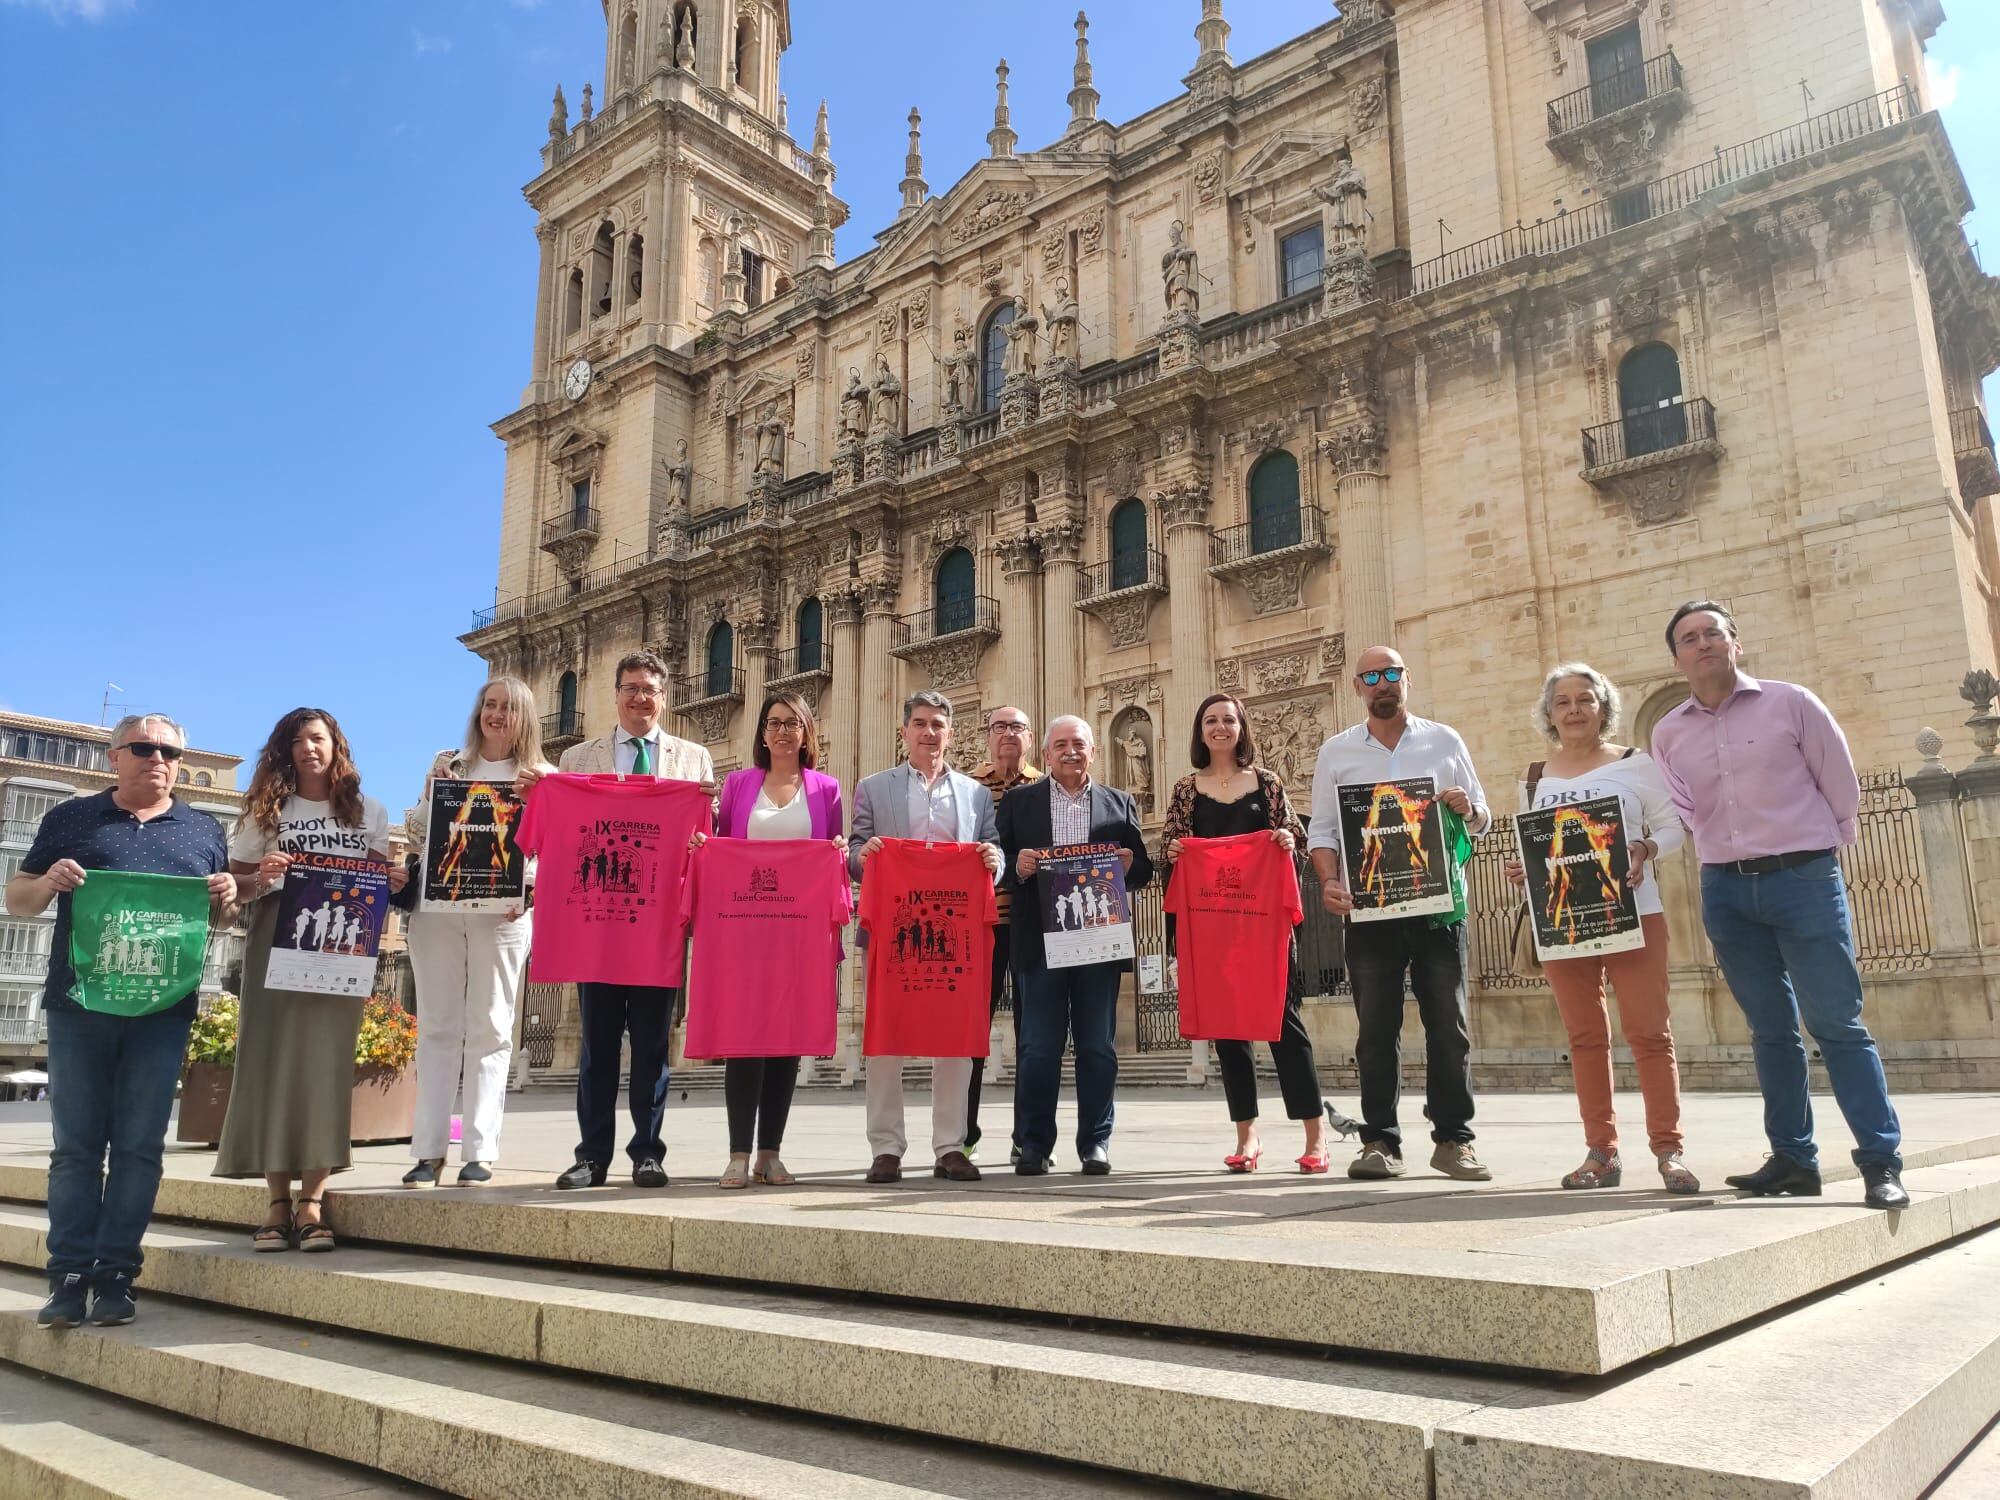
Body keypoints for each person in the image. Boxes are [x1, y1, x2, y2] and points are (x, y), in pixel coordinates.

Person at [1650, 602, 1908, 1210]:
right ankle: (1793, 1158)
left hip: (1804, 879)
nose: (1703, 642)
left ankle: (1880, 1161)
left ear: (1735, 644)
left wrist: (1818, 856)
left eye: (1714, 632)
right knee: (1769, 1032)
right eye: (1690, 637)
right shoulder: (1668, 732)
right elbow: (1685, 808)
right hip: (1727, 889)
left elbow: (1839, 783)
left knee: (1837, 1024)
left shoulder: (1792, 702)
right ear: (1678, 657)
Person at [8, 714, 236, 1329]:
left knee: (139, 1149)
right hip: (79, 1004)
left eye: (170, 752)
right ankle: (67, 1276)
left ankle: (115, 1276)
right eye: (144, 748)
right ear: (115, 757)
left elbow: (214, 924)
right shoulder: (71, 819)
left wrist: (225, 901)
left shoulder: (204, 830)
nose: (158, 759)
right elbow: (18, 899)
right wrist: (50, 882)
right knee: (76, 1149)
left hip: (163, 1010)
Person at [518, 650, 715, 1191]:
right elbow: (553, 831)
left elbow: (705, 840)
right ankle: (591, 1156)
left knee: (652, 1046)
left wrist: (703, 827)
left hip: (657, 927)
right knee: (597, 1045)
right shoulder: (578, 761)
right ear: (615, 694)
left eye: (650, 689)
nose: (639, 697)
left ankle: (647, 1152)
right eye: (630, 688)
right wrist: (541, 790)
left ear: (664, 696)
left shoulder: (693, 760)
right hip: (597, 924)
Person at [1503, 664, 1699, 1194]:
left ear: (1603, 708)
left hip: (1635, 914)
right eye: (1562, 701)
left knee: (1650, 1034)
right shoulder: (1534, 777)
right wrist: (1524, 867)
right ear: (1549, 714)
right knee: (1585, 1038)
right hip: (1564, 921)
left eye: (1585, 700)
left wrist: (1645, 848)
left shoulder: (1636, 765)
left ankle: (1668, 1149)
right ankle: (1601, 1152)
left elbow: (1673, 827)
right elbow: (1537, 845)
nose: (1573, 709)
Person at [216, 708, 404, 1251]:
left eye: (317, 738)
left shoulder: (369, 810)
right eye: (296, 740)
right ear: (284, 750)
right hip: (276, 941)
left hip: (341, 946)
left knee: (327, 1064)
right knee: (270, 1061)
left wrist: (393, 878)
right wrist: (260, 876)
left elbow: (377, 887)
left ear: (335, 745)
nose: (308, 748)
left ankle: (313, 1202)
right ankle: (276, 1201)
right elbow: (238, 888)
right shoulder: (264, 811)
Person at [1306, 646, 1493, 1182]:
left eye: (1391, 674)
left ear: (1407, 679)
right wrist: (1328, 881)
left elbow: (1482, 817)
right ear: (1358, 686)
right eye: (1371, 676)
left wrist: (1468, 809)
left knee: (1449, 1025)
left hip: (1439, 908)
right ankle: (1379, 1142)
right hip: (1370, 910)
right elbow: (1323, 831)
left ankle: (1454, 1140)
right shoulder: (1337, 752)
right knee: (1375, 1029)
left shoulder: (1444, 739)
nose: (1382, 684)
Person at [1160, 694, 1331, 1173]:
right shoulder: (1186, 791)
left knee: (1284, 1025)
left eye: (1228, 719)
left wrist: (1284, 840)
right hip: (1213, 927)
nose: (1220, 727)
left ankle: (1315, 1135)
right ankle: (1247, 1135)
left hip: (1263, 927)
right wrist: (1173, 853)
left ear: (1242, 728)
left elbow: (1294, 837)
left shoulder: (1269, 783)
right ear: (1200, 731)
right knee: (1229, 1032)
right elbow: (1167, 854)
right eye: (1211, 720)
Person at [401, 676, 552, 1189]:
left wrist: (527, 885)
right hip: (438, 908)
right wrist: (427, 797)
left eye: (508, 708)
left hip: (503, 913)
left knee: (491, 1028)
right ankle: (427, 1151)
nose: (496, 715)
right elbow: (421, 832)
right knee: (438, 1027)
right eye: (489, 705)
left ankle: (480, 1149)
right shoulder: (449, 763)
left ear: (524, 717)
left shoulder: (543, 777)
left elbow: (553, 848)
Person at [849, 691, 1004, 1184]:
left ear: (951, 733)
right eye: (919, 723)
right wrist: (866, 854)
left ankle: (950, 1146)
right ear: (904, 732)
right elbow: (853, 852)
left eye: (938, 724)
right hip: (895, 934)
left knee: (955, 1042)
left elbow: (993, 850)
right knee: (884, 1040)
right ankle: (886, 1148)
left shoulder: (976, 794)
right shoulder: (874, 788)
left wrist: (993, 865)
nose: (929, 732)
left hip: (953, 932)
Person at [698, 691, 846, 1188]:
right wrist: (704, 846)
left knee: (787, 1042)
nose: (782, 731)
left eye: (792, 723)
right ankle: (738, 1152)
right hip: (744, 933)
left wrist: (839, 852)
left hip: (799, 937)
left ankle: (770, 1152)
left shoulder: (826, 790)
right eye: (774, 722)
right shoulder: (739, 785)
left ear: (806, 733)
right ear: (761, 733)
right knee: (746, 1040)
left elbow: (834, 858)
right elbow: (722, 852)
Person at [999, 716, 1153, 1176]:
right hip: (1039, 942)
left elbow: (1143, 869)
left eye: (1079, 744)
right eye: (1060, 744)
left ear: (1094, 751)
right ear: (1045, 754)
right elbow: (994, 862)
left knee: (1098, 1047)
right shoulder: (1018, 802)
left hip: (1097, 942)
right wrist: (1019, 865)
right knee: (1038, 1046)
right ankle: (1034, 1143)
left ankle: (1095, 1143)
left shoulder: (1118, 803)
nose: (1070, 751)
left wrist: (1129, 865)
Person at [964, 706, 1041, 1162]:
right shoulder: (968, 789)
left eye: (1017, 728)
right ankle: (964, 1134)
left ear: (1030, 738)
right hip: (980, 926)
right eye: (999, 727)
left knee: (1036, 1034)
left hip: (1033, 927)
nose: (1008, 735)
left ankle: (1027, 1139)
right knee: (972, 1031)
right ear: (986, 736)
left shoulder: (1045, 787)